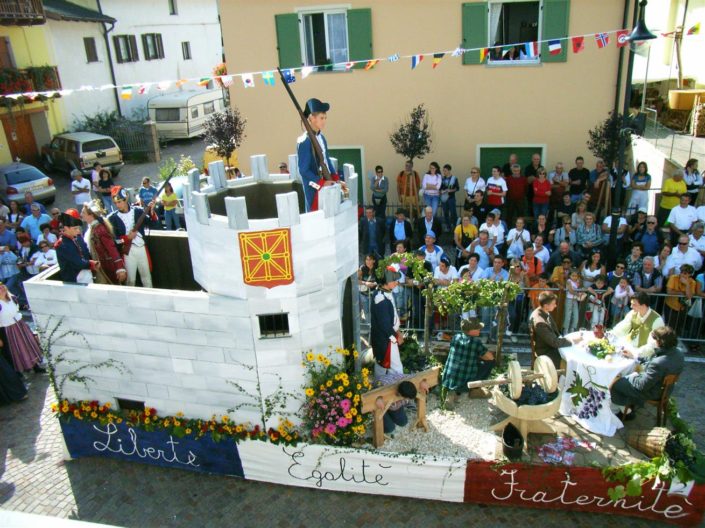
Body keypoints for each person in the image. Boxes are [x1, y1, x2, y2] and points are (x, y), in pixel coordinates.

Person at [610, 326, 684, 422]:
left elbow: (642, 385)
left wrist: (631, 377)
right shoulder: (678, 353)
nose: (652, 341)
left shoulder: (659, 363)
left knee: (615, 384)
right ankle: (626, 406)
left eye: (654, 339)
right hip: (666, 390)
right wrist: (635, 357)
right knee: (625, 377)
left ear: (660, 342)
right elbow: (651, 361)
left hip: (654, 392)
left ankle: (625, 412)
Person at [296, 98, 344, 212]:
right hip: (314, 189)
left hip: (326, 184)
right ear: (312, 118)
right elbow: (304, 170)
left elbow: (326, 160)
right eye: (321, 118)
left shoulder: (321, 138)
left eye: (325, 118)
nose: (324, 121)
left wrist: (335, 179)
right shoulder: (304, 141)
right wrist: (321, 182)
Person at [442, 318, 495, 409]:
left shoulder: (456, 337)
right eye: (478, 328)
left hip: (449, 377)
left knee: (464, 364)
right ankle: (474, 389)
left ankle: (453, 392)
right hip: (464, 379)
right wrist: (480, 356)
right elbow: (490, 357)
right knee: (490, 362)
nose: (480, 329)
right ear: (471, 331)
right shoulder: (475, 342)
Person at [107, 187, 152, 288]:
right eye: (116, 203)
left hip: (141, 247)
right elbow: (115, 241)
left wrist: (151, 209)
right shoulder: (112, 218)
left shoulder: (138, 211)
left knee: (147, 277)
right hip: (127, 252)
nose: (118, 205)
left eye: (119, 201)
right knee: (131, 280)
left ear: (125, 199)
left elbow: (152, 222)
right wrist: (127, 238)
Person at [529, 291, 578, 369]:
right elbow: (554, 343)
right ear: (546, 306)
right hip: (546, 352)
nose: (555, 305)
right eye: (553, 304)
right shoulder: (540, 322)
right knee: (573, 360)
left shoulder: (542, 311)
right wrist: (572, 341)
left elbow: (555, 332)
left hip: (549, 345)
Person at [371, 264, 404, 377]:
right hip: (386, 338)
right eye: (393, 280)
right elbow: (384, 324)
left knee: (383, 366)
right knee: (395, 369)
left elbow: (392, 318)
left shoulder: (386, 293)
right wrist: (395, 337)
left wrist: (397, 332)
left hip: (388, 337)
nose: (396, 282)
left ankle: (378, 389)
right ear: (386, 281)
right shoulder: (380, 298)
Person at [81, 204, 127, 285]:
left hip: (107, 267)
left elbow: (111, 248)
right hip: (101, 267)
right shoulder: (92, 228)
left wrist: (120, 268)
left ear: (91, 215)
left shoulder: (100, 229)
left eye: (83, 213)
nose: (81, 215)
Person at [612, 291, 665, 359]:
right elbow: (621, 328)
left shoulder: (657, 320)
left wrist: (635, 354)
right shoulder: (632, 313)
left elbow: (653, 345)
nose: (631, 306)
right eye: (631, 304)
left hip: (644, 355)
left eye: (634, 304)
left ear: (643, 305)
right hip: (629, 345)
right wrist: (610, 334)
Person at [55, 209, 97, 284]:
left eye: (78, 228)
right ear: (66, 228)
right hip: (74, 280)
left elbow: (86, 253)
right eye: (75, 228)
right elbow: (77, 262)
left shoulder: (78, 237)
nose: (78, 231)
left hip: (87, 274)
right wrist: (92, 263)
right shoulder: (61, 244)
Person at [664, 263, 698, 333]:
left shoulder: (692, 282)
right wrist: (681, 293)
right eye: (681, 272)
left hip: (683, 308)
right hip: (670, 306)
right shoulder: (673, 278)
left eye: (685, 273)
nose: (682, 275)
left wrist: (687, 284)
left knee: (679, 328)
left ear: (690, 274)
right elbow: (669, 291)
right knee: (669, 327)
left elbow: (689, 296)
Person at [358, 254, 378, 324]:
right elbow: (357, 281)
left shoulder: (377, 269)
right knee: (366, 311)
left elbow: (381, 280)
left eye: (370, 260)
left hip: (374, 293)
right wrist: (365, 283)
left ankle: (374, 326)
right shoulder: (362, 268)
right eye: (366, 259)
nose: (368, 261)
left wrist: (375, 283)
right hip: (363, 294)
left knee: (374, 310)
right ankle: (368, 327)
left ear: (374, 261)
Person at [440, 164, 459, 231]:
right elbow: (440, 188)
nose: (444, 172)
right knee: (445, 213)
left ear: (449, 170)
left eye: (445, 170)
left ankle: (455, 226)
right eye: (443, 170)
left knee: (453, 213)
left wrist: (450, 190)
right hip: (444, 198)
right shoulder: (442, 178)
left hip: (451, 198)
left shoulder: (454, 178)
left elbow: (457, 188)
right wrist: (441, 191)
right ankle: (448, 227)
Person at [563, 268, 582, 333]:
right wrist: (578, 294)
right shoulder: (568, 281)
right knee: (568, 316)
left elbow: (578, 288)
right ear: (570, 276)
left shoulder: (577, 282)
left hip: (575, 300)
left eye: (576, 276)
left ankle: (572, 329)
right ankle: (565, 330)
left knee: (576, 315)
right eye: (573, 276)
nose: (574, 277)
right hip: (569, 299)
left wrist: (578, 283)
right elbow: (571, 290)